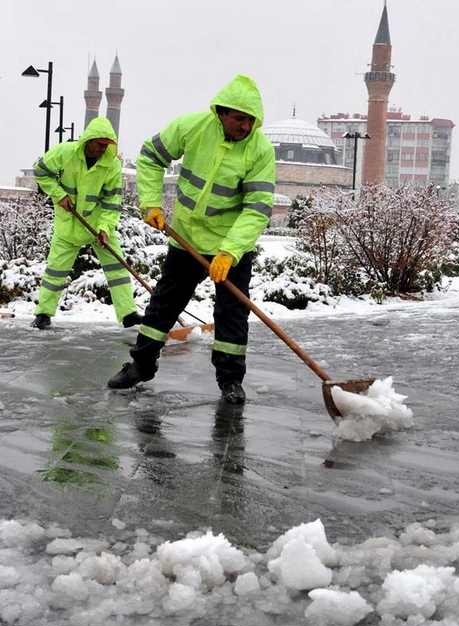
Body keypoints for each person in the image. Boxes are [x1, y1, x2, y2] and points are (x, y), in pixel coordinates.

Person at [108, 74, 276, 404]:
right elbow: (150, 156)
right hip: (185, 238)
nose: (245, 127)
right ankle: (141, 365)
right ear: (221, 113)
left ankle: (230, 379)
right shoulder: (193, 127)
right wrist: (150, 202)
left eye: (250, 121)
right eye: (239, 119)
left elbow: (257, 209)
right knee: (163, 305)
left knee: (232, 314)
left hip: (230, 247)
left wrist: (229, 252)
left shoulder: (260, 151)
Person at [31, 116, 142, 330]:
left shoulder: (112, 164)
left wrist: (105, 229)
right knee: (55, 270)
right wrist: (58, 194)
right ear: (89, 140)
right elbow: (40, 171)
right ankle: (43, 314)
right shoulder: (65, 152)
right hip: (68, 225)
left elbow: (112, 201)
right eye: (100, 145)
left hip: (97, 225)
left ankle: (128, 314)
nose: (103, 150)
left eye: (107, 146)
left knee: (117, 267)